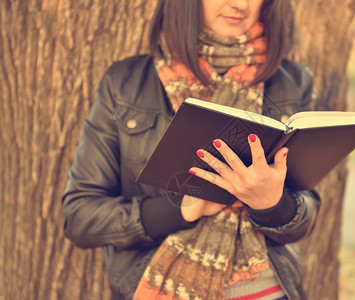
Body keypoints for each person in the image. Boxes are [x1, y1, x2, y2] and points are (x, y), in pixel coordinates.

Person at [62, 0, 321, 299]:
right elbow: (79, 215)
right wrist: (180, 209)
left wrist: (273, 204)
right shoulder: (125, 84)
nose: (240, 4)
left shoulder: (292, 81)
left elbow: (306, 213)